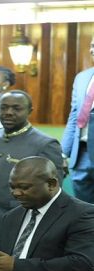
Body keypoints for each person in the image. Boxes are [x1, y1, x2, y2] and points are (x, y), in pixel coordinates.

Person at [0, 91, 64, 240]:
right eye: (4, 108)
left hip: (16, 222)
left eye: (16, 108)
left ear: (29, 111)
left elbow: (52, 191)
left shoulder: (45, 144)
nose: (8, 113)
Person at [63, 37, 94, 204]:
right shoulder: (82, 78)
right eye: (91, 46)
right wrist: (63, 152)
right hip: (81, 154)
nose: (91, 50)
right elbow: (75, 115)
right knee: (85, 210)